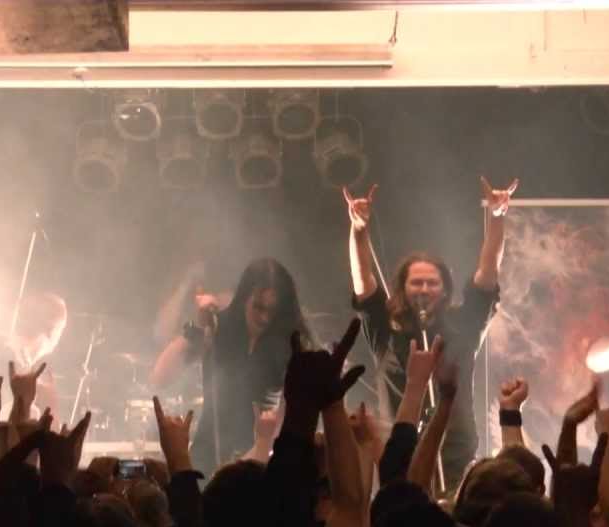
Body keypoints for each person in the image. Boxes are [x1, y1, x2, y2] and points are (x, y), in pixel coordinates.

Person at [344, 178, 518, 492]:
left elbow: (488, 272)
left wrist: (496, 218)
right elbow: (363, 281)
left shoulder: (464, 325)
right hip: (401, 455)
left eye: (432, 283)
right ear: (403, 288)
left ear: (444, 288)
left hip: (456, 454)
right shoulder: (386, 331)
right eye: (416, 283)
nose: (424, 289)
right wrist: (358, 230)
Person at [150, 257, 313, 473]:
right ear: (244, 298)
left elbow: (285, 420)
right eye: (258, 307)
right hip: (207, 458)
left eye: (272, 311)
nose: (265, 318)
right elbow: (160, 377)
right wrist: (199, 329)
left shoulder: (289, 346)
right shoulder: (219, 327)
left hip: (259, 464)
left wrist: (251, 459)